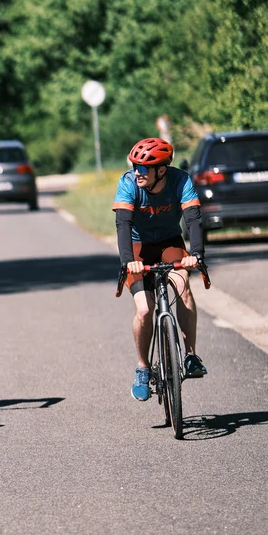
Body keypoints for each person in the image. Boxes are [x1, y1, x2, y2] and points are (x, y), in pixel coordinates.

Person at [113, 137, 207, 402]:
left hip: (169, 242)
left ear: (161, 170)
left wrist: (196, 254)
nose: (137, 172)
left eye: (143, 168)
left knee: (183, 287)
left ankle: (190, 356)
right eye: (135, 166)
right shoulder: (128, 183)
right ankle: (143, 368)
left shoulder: (181, 181)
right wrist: (127, 260)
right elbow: (122, 223)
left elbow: (193, 219)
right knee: (144, 309)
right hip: (137, 247)